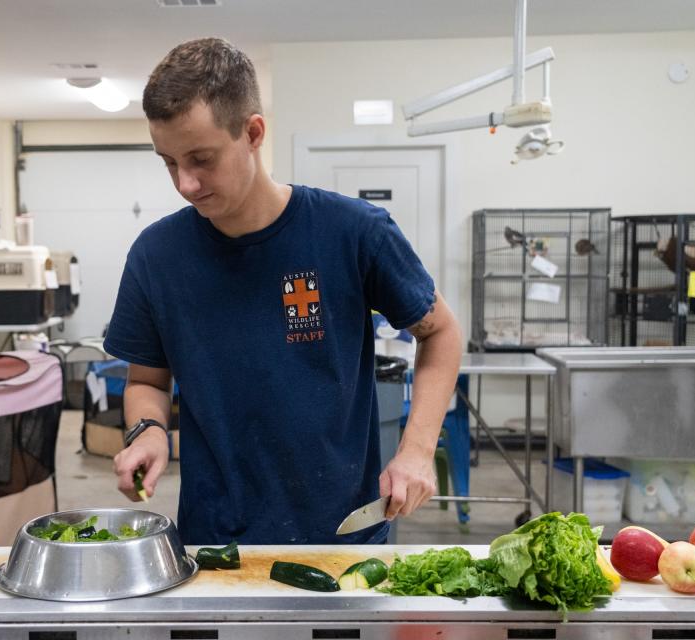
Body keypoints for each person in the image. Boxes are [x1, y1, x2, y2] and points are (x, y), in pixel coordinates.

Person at [104, 38, 462, 545]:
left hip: (342, 536)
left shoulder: (354, 233)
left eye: (201, 159)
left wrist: (418, 448)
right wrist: (149, 431)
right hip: (214, 541)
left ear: (253, 133)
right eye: (168, 162)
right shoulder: (156, 255)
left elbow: (441, 331)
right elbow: (147, 381)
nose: (185, 183)